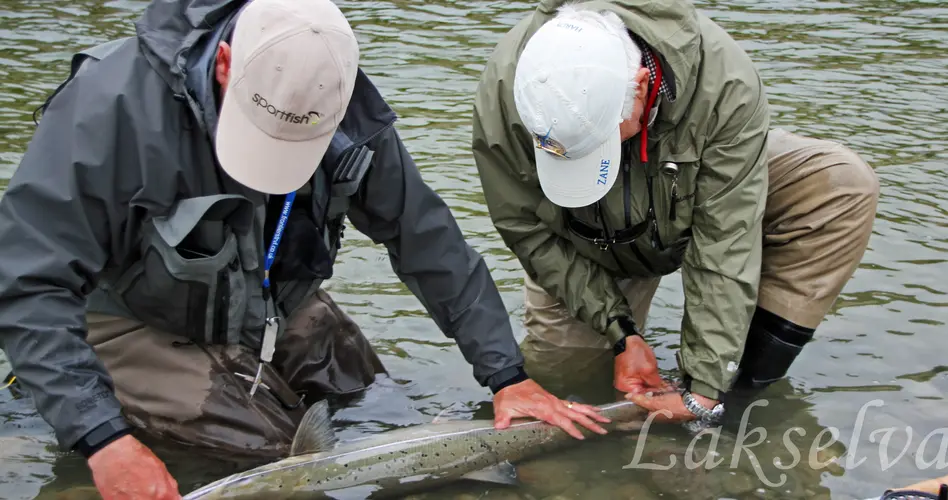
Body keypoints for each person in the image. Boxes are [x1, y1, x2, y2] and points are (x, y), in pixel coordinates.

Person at [0, 0, 611, 498]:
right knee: (285, 469)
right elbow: (27, 284)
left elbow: (424, 236)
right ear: (225, 64)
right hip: (131, 321)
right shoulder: (107, 110)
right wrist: (102, 440)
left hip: (267, 300)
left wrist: (506, 375)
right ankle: (73, 395)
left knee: (378, 407)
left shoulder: (341, 100)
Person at [471, 0, 880, 429]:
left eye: (596, 147)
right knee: (564, 380)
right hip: (586, 236)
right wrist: (620, 331)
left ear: (641, 85)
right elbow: (526, 227)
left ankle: (739, 398)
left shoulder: (725, 83)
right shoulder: (505, 89)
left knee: (842, 184)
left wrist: (706, 384)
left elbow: (725, 236)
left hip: (691, 188)